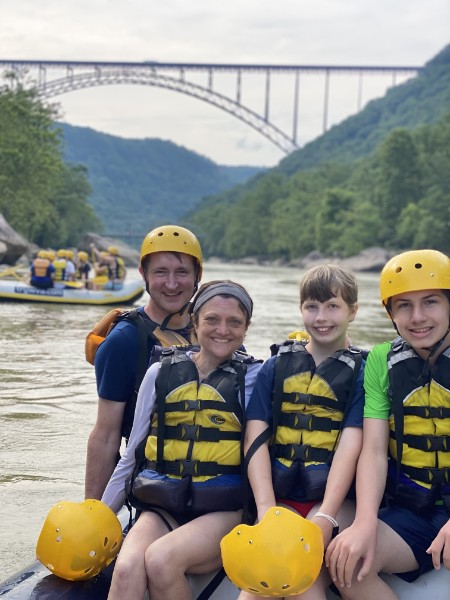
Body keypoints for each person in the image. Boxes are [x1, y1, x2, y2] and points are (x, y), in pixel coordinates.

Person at [101, 280, 262, 600]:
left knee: (161, 560)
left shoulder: (257, 377)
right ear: (194, 319)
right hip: (162, 506)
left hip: (222, 512)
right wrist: (100, 518)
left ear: (246, 329)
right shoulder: (159, 373)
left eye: (235, 322)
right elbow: (132, 455)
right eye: (212, 319)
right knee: (127, 567)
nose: (223, 330)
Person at [325, 249, 450, 600]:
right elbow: (375, 451)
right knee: (345, 562)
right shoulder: (381, 361)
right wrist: (364, 522)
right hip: (413, 511)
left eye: (431, 302)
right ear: (391, 313)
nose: (418, 317)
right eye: (404, 306)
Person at [239, 264, 365, 600]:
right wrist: (266, 509)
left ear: (353, 311)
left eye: (332, 306)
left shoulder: (364, 372)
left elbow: (351, 446)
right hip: (281, 498)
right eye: (312, 307)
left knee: (304, 585)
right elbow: (255, 438)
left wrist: (326, 513)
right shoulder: (276, 365)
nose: (321, 317)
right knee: (256, 585)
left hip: (336, 502)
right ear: (301, 310)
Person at [85, 225, 203, 500]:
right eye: (160, 272)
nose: (171, 284)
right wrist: (92, 510)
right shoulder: (123, 341)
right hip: (152, 485)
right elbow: (105, 435)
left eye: (182, 272)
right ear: (144, 275)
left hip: (218, 485)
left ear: (198, 275)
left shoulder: (217, 332)